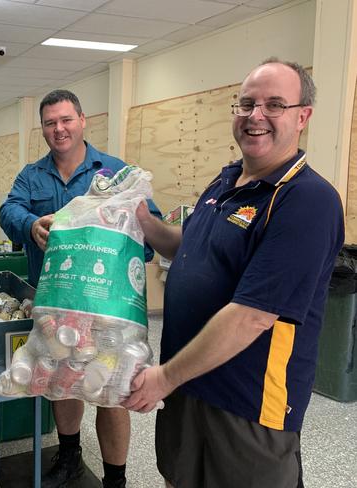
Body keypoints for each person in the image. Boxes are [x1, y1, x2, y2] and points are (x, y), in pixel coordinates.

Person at [124, 58, 345, 488]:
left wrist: (164, 378)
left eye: (274, 105)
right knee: (178, 478)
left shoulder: (306, 201)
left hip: (246, 404)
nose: (255, 116)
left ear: (303, 116)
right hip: (189, 380)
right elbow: (191, 248)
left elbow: (253, 315)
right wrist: (146, 224)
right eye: (246, 103)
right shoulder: (226, 182)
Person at [0, 89, 161, 488]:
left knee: (114, 389)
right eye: (50, 123)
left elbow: (150, 223)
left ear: (83, 120)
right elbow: (9, 209)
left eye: (66, 119)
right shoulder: (32, 175)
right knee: (61, 382)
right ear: (43, 129)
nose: (59, 129)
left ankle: (115, 479)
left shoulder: (113, 172)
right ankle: (70, 454)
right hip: (56, 306)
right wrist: (29, 224)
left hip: (108, 310)